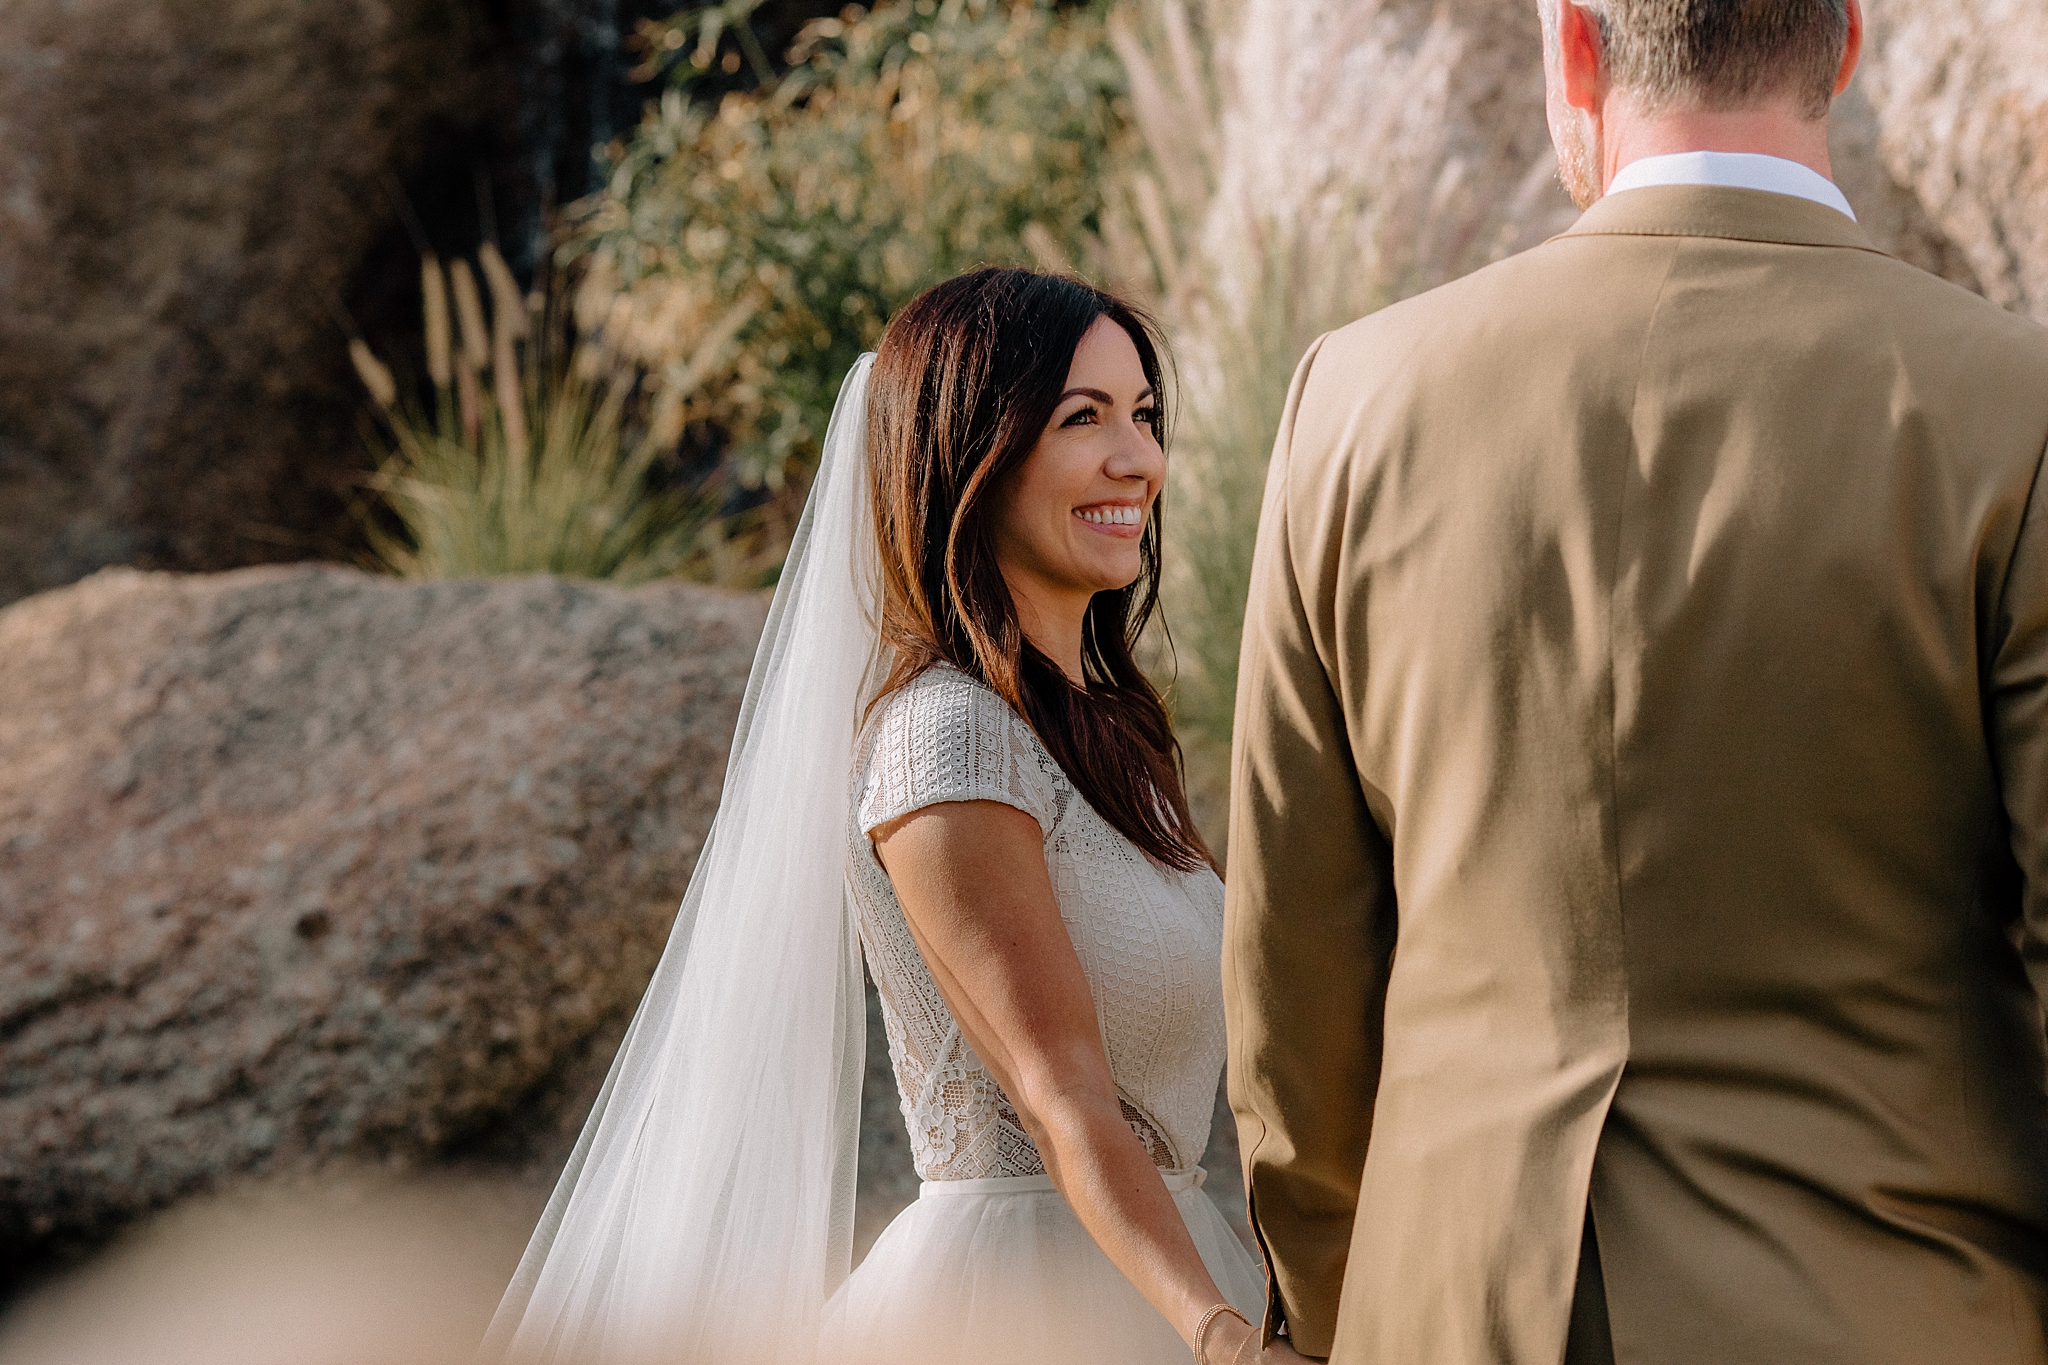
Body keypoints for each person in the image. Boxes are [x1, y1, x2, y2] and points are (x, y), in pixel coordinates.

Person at [1224, 2, 2048, 1363]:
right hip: (1894, 1308)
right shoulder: (2011, 410)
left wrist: (1340, 1314)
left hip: (1451, 1309)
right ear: (1844, 46)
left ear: (1575, 50)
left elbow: (1292, 981)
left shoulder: (1352, 404)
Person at [485, 267, 1294, 1365]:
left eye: (1143, 417)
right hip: (1028, 1306)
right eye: (1082, 420)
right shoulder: (945, 742)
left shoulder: (1114, 739)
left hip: (1172, 1264)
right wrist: (1221, 1337)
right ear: (972, 455)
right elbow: (1060, 1097)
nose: (1135, 459)